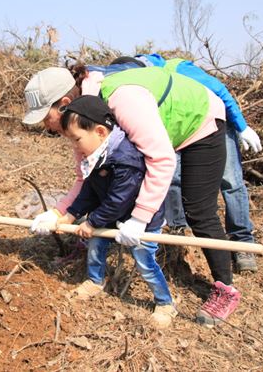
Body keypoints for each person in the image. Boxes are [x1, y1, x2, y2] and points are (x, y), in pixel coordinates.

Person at [24, 66, 241, 328]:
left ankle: (224, 290)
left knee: (198, 210)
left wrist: (139, 219)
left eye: (45, 118)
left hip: (199, 119)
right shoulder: (82, 123)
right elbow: (86, 178)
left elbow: (160, 159)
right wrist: (58, 213)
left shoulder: (122, 101)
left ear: (64, 104)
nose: (46, 127)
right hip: (158, 131)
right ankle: (96, 278)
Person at [82, 54, 263, 272]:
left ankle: (243, 242)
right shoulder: (131, 88)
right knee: (175, 180)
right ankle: (178, 229)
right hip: (174, 128)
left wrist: (242, 126)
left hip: (211, 119)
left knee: (230, 182)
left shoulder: (179, 68)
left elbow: (220, 90)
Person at [50, 95, 177, 329]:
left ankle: (165, 303)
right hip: (110, 215)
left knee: (144, 261)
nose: (75, 147)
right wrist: (71, 213)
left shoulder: (125, 159)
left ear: (99, 131)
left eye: (77, 139)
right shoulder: (97, 156)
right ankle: (94, 281)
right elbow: (89, 190)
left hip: (140, 219)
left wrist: (92, 222)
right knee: (96, 246)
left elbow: (119, 199)